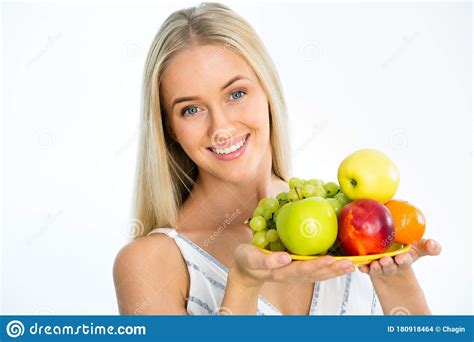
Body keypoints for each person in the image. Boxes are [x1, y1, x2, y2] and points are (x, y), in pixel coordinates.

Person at [113, 2, 441, 315]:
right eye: (192, 110)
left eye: (236, 94)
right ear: (169, 127)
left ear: (268, 90)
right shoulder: (150, 263)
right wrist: (243, 285)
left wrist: (395, 280)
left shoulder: (349, 219)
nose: (221, 128)